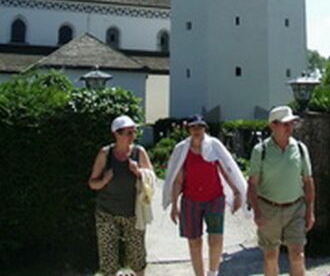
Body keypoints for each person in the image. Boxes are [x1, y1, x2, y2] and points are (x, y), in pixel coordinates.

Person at [163, 114, 247, 276]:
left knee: (215, 239)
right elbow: (178, 180)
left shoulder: (213, 146)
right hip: (190, 201)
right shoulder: (182, 150)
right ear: (188, 130)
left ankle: (212, 272)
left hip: (214, 199)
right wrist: (174, 205)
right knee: (194, 242)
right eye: (193, 127)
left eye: (200, 127)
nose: (197, 130)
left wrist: (237, 192)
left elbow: (226, 169)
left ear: (204, 129)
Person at [247, 106, 315, 276]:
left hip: (295, 208)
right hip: (269, 209)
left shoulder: (300, 148)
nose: (289, 128)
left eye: (291, 124)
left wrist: (310, 210)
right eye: (285, 124)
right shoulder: (260, 151)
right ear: (273, 125)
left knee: (297, 256)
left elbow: (308, 181)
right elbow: (252, 184)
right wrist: (257, 212)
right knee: (270, 257)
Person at [88, 115, 154, 276]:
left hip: (133, 213)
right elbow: (92, 183)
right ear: (116, 134)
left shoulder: (139, 152)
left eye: (133, 132)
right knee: (108, 259)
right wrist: (104, 180)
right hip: (106, 212)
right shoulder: (105, 153)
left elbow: (151, 178)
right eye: (128, 132)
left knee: (137, 257)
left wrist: (138, 172)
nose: (132, 136)